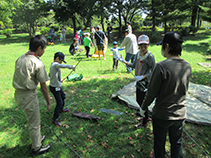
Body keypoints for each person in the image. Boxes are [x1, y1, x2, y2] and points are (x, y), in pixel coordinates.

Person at [140, 31, 192, 158]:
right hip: (180, 114)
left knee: (159, 144)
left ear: (167, 47)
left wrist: (143, 107)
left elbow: (151, 93)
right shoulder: (187, 66)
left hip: (162, 115)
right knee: (177, 144)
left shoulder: (161, 66)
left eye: (163, 46)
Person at [13, 35, 51, 155]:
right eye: (44, 49)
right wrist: (48, 102)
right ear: (39, 48)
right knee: (34, 123)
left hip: (18, 95)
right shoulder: (37, 63)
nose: (44, 51)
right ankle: (37, 148)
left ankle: (38, 139)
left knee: (33, 120)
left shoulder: (21, 58)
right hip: (28, 96)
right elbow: (44, 87)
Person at [120, 35, 156, 126]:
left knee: (144, 102)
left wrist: (143, 77)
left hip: (146, 83)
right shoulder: (138, 54)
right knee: (138, 100)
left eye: (145, 45)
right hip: (139, 83)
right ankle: (145, 115)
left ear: (149, 45)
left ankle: (145, 120)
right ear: (138, 45)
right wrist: (125, 62)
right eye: (141, 46)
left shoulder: (150, 56)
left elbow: (154, 71)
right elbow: (134, 65)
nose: (143, 48)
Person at [49, 52, 76, 126]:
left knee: (63, 96)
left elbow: (51, 75)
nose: (61, 62)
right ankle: (55, 119)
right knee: (59, 102)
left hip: (57, 86)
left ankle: (61, 109)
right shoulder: (55, 64)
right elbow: (61, 66)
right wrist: (71, 66)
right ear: (57, 58)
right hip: (54, 87)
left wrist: (58, 80)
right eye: (60, 60)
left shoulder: (53, 66)